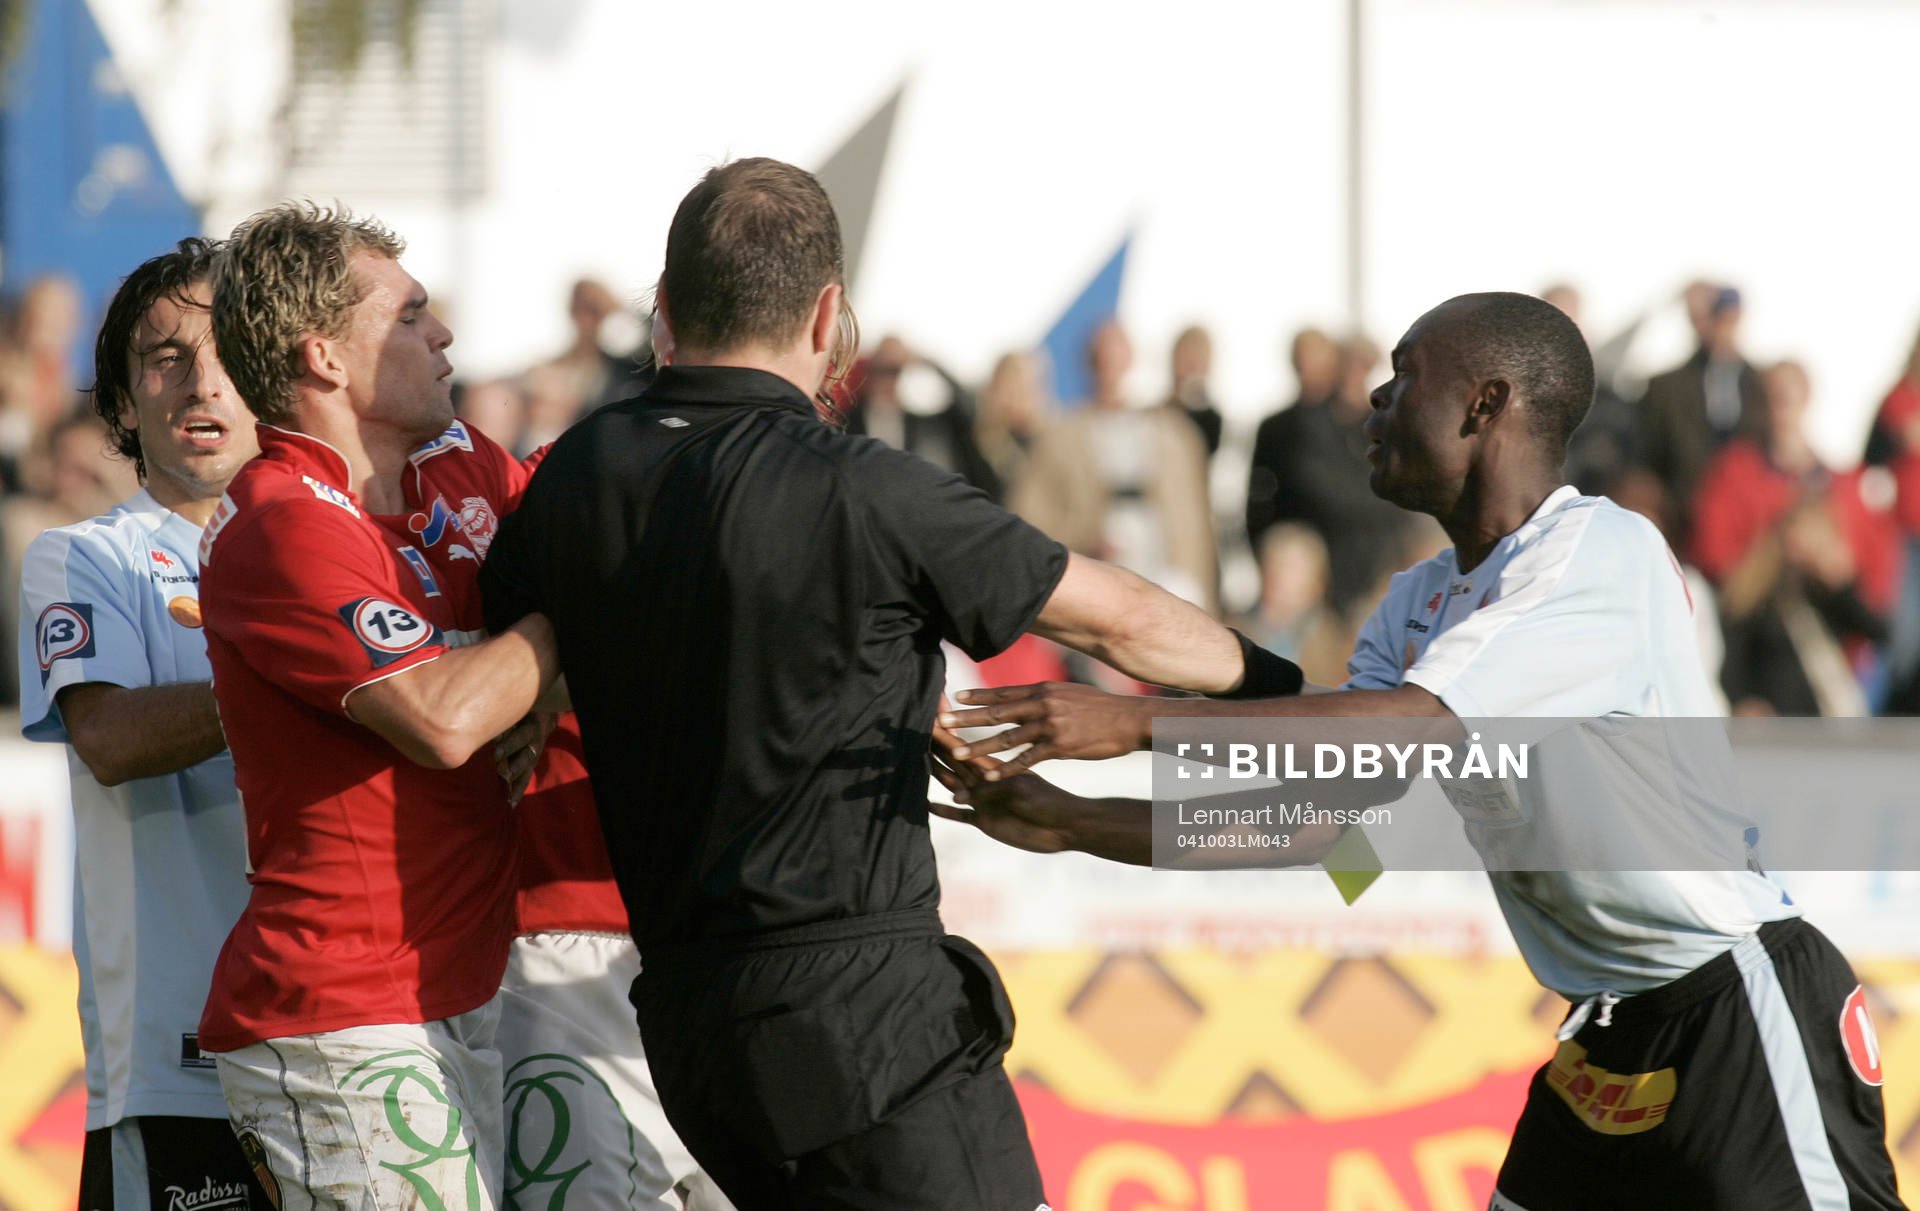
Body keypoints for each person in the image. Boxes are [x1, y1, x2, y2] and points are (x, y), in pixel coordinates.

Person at [935, 292, 1904, 1210]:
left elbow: (1411, 726)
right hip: (1608, 1036)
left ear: (1486, 404)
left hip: (1735, 994)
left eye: (1405, 374)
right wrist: (1069, 821)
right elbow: (1331, 828)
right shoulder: (1417, 605)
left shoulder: (1602, 553)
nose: (1377, 397)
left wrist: (1144, 722)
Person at [479, 156, 1298, 1210]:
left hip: (686, 1020)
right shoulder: (861, 487)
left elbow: (518, 660)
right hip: (859, 1013)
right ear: (829, 316)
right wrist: (1297, 693)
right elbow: (1126, 618)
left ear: (668, 308)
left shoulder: (576, 472)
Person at [199, 202, 560, 1207]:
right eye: (410, 315)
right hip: (341, 1016)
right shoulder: (281, 520)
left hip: (454, 992)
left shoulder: (467, 465)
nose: (442, 335)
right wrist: (563, 626)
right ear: (323, 355)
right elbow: (442, 719)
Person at [17, 239, 271, 1210]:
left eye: (225, 354)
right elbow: (111, 737)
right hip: (182, 1063)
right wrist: (297, 683)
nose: (200, 383)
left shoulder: (342, 545)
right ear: (122, 405)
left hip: (346, 1042)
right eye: (164, 359)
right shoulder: (86, 557)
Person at [1010, 321, 1219, 614]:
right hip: (1093, 577)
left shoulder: (1172, 434)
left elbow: (1195, 524)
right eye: (1102, 358)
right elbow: (1030, 516)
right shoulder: (1060, 436)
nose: (1109, 368)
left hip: (1165, 575)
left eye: (1116, 357)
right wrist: (1082, 540)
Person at [1639, 282, 1764, 545]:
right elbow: (1648, 456)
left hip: (1747, 524)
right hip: (1683, 518)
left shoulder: (1761, 384)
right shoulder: (1667, 388)